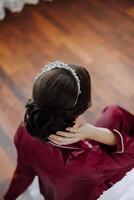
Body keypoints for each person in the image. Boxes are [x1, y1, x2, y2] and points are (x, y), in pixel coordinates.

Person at [4, 61, 134, 200]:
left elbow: (23, 172)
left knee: (115, 113)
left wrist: (9, 197)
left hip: (65, 181)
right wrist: (94, 132)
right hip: (89, 190)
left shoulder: (24, 130)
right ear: (82, 109)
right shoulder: (83, 161)